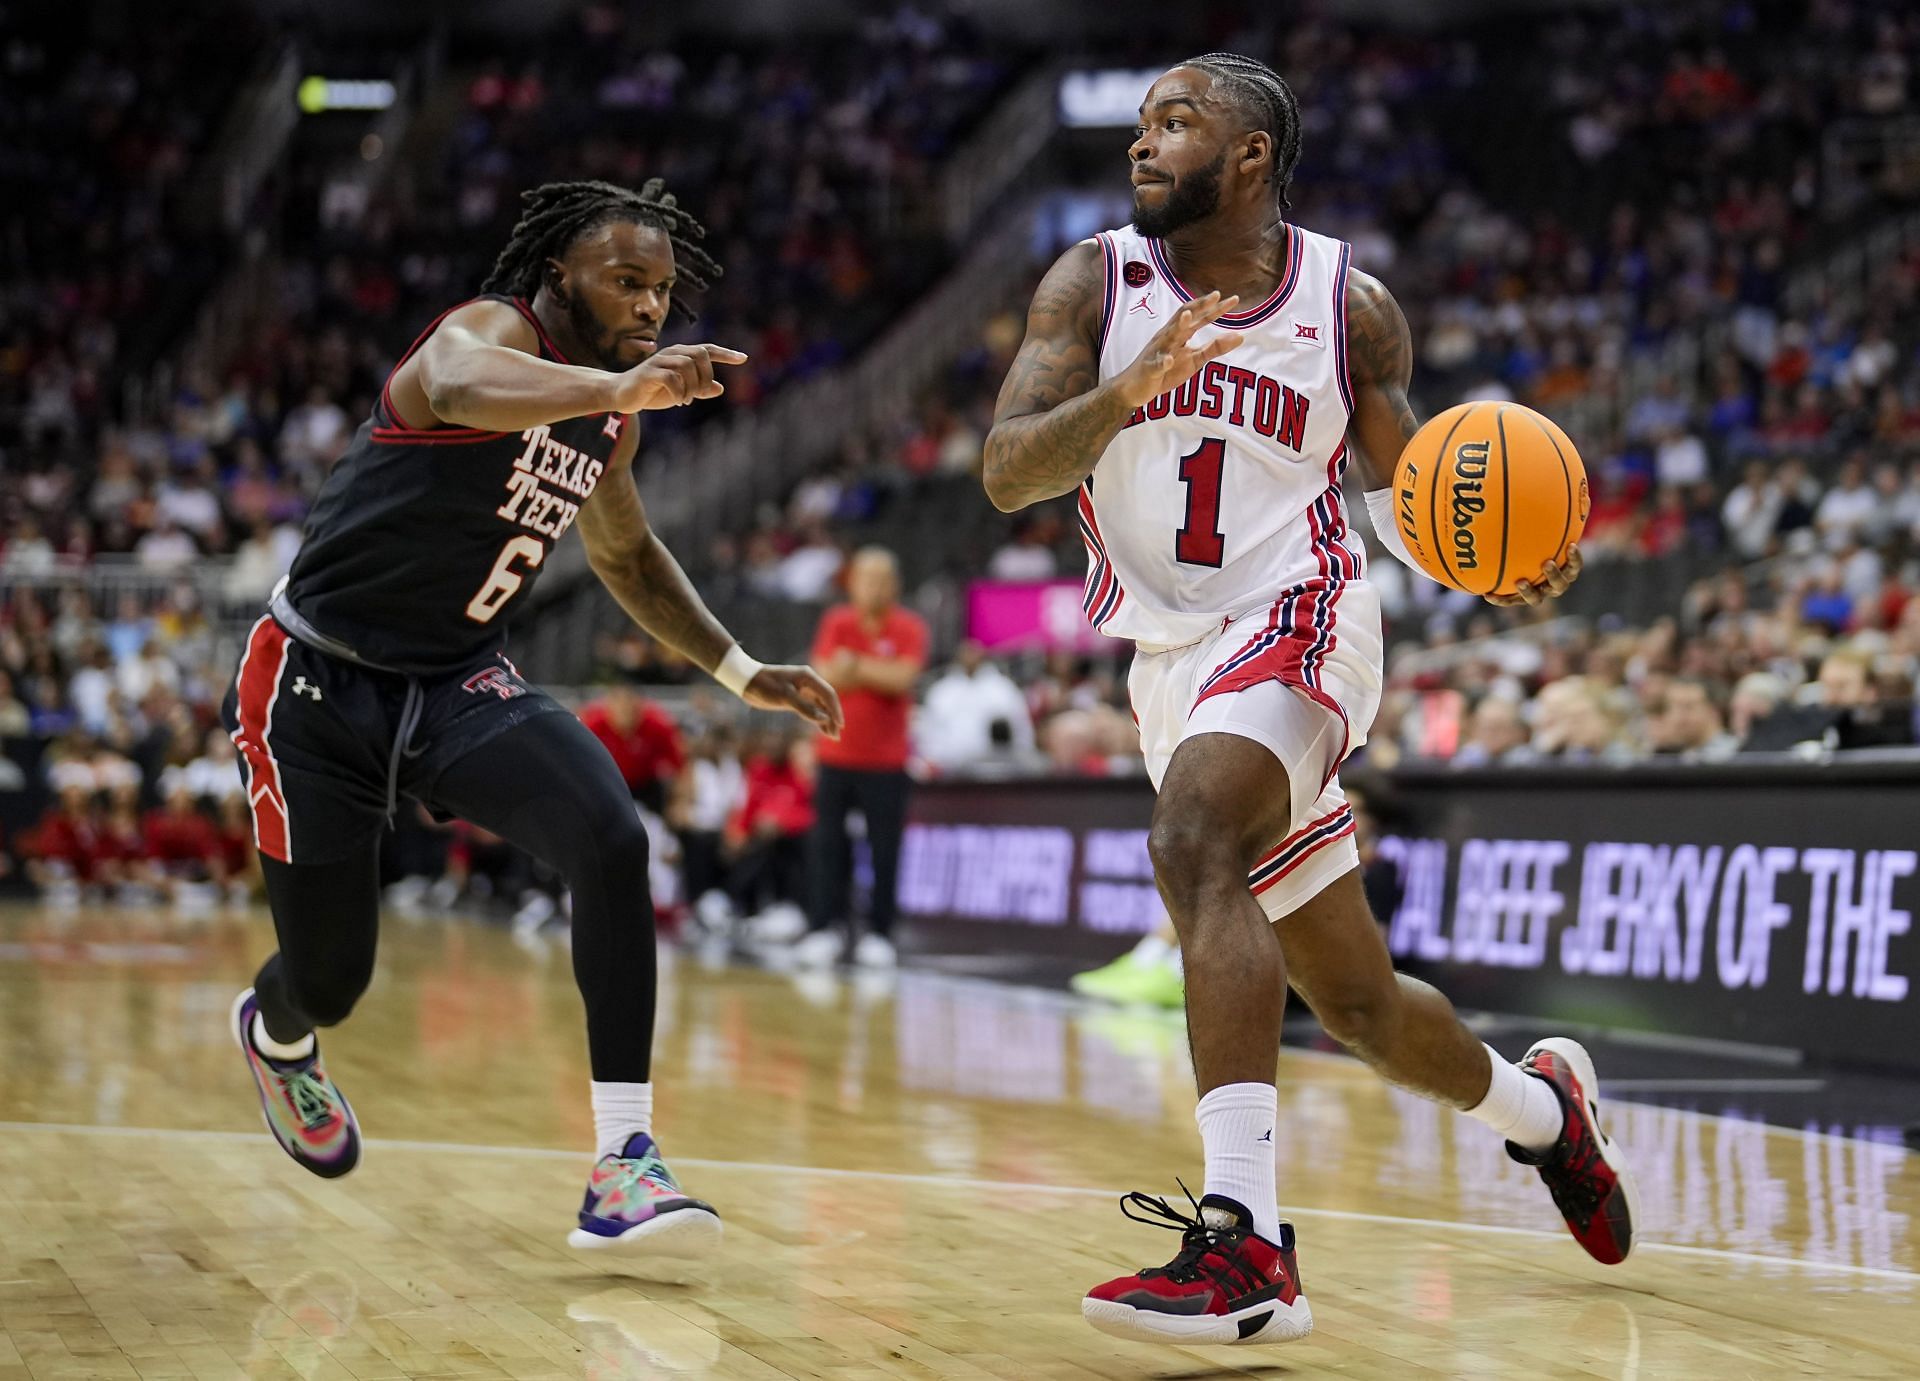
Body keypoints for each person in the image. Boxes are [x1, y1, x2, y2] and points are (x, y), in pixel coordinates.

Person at [983, 55, 1624, 1348]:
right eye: (1144, 123)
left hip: (1304, 614)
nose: (1143, 144)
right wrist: (1125, 392)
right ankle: (1549, 1112)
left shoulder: (1349, 306)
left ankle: (1245, 1244)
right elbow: (1005, 474)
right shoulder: (1091, 285)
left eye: (1178, 122)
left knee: (1189, 838)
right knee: (1363, 1009)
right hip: (1171, 664)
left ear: (1254, 155)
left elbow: (1415, 500)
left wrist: (1500, 564)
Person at [220, 179, 843, 1260]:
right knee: (331, 979)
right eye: (626, 280)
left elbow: (626, 557)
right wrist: (618, 382)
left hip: (457, 682)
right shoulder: (486, 332)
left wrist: (742, 671)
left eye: (661, 291)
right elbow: (458, 385)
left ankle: (624, 1164)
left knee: (610, 834)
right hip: (317, 686)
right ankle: (279, 1038)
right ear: (560, 275)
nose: (651, 306)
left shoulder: (609, 414)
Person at [795, 547, 927, 968]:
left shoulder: (909, 627)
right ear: (852, 583)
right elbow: (822, 674)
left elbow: (902, 677)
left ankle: (880, 932)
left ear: (895, 585)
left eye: (882, 579)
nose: (874, 586)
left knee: (885, 848)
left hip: (887, 761)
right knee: (827, 846)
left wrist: (855, 666)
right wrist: (871, 671)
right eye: (866, 578)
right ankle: (823, 927)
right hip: (834, 754)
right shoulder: (836, 621)